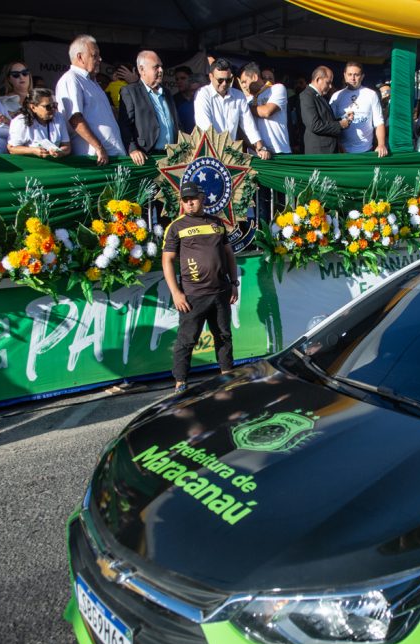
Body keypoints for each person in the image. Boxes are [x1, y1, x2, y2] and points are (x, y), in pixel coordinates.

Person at [162, 181, 239, 394]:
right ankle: (180, 383)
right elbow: (167, 260)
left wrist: (234, 283)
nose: (189, 203)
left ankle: (227, 377)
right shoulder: (176, 227)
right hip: (193, 296)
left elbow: (229, 255)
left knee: (223, 336)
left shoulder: (217, 223)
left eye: (192, 199)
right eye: (185, 200)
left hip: (221, 292)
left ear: (202, 198)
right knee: (187, 341)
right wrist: (176, 293)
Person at [56, 35, 124, 165]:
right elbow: (75, 118)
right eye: (95, 55)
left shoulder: (92, 82)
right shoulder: (71, 79)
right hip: (94, 158)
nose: (100, 59)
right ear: (80, 57)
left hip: (111, 156)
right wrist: (98, 147)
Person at [194, 58, 271, 159]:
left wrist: (260, 148)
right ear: (211, 77)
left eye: (228, 80)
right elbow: (205, 127)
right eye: (220, 80)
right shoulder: (202, 94)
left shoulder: (239, 95)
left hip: (231, 155)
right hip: (209, 154)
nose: (224, 84)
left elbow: (249, 125)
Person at [118, 50, 179, 166]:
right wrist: (132, 149)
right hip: (147, 156)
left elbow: (176, 122)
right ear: (142, 70)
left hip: (172, 156)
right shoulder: (130, 91)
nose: (161, 70)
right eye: (156, 67)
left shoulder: (167, 93)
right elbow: (124, 125)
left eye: (161, 67)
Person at [329, 62, 388, 157]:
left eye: (356, 75)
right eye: (349, 74)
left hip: (366, 150)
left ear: (362, 76)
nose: (352, 78)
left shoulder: (371, 95)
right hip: (342, 151)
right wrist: (338, 144)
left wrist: (381, 144)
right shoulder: (336, 96)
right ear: (344, 75)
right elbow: (330, 123)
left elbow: (379, 122)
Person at [238, 62, 290, 155]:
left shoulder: (276, 89)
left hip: (278, 151)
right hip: (256, 154)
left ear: (254, 77)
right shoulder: (246, 100)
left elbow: (267, 111)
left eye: (245, 81)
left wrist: (245, 108)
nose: (244, 86)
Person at [298, 65, 351, 155]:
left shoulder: (320, 97)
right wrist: (340, 125)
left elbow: (326, 121)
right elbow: (314, 125)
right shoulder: (307, 96)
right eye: (328, 82)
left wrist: (344, 118)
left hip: (328, 151)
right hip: (318, 153)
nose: (330, 86)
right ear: (318, 79)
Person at [7, 89, 71, 158]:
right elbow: (12, 149)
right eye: (48, 107)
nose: (52, 109)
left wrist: (60, 152)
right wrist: (33, 151)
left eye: (54, 105)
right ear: (33, 107)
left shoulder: (58, 117)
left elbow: (67, 145)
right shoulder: (20, 121)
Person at [172, 65, 197, 134]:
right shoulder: (173, 100)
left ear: (191, 79)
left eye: (183, 78)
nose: (179, 81)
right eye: (177, 79)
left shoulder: (200, 97)